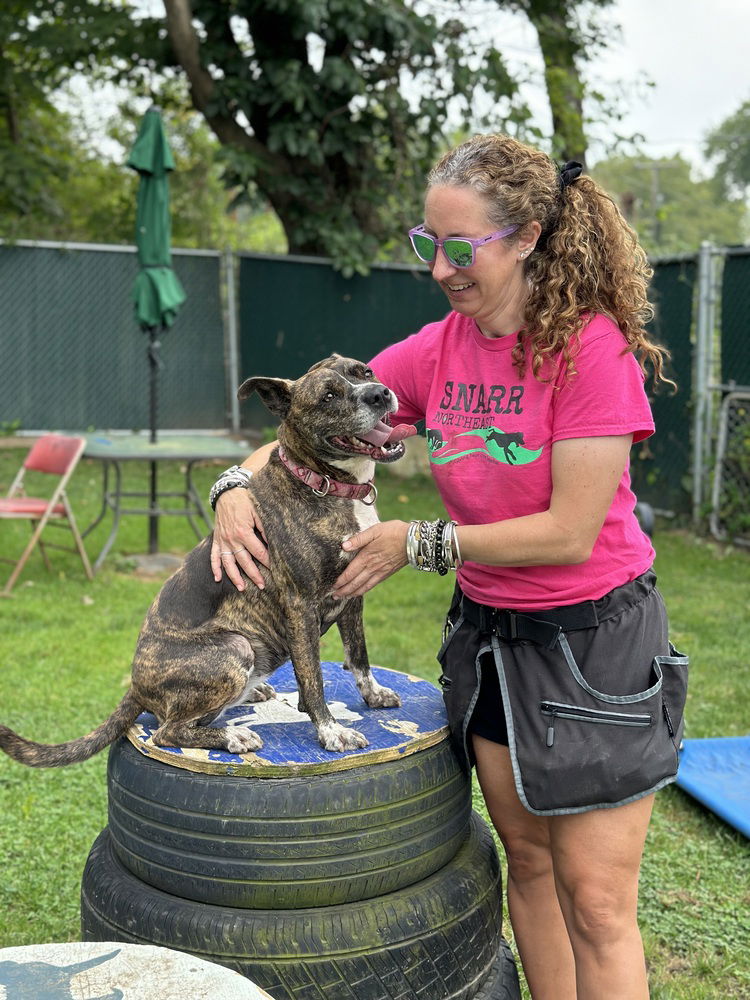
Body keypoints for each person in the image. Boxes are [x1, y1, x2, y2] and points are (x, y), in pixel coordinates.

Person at [210, 133, 687, 1000]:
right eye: (426, 244)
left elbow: (571, 531)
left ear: (530, 236)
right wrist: (232, 488)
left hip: (594, 647)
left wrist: (417, 543)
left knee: (600, 904)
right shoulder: (438, 350)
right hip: (490, 644)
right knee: (531, 869)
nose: (439, 268)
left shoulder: (592, 352)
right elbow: (307, 423)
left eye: (460, 248)